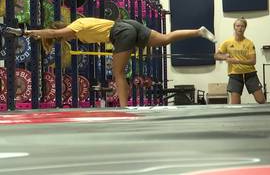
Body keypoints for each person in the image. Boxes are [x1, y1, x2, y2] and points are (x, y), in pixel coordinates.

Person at [25, 17, 216, 107]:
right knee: (165, 39)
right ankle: (198, 31)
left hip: (121, 33)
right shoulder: (81, 23)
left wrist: (32, 32)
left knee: (118, 73)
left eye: (62, 37)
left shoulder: (74, 27)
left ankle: (125, 108)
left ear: (62, 29)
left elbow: (53, 33)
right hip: (128, 25)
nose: (62, 39)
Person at [214, 17, 265, 104]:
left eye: (242, 26)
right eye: (238, 26)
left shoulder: (249, 43)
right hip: (235, 75)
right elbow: (216, 56)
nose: (240, 28)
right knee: (235, 104)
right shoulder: (227, 42)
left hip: (250, 74)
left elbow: (253, 61)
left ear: (245, 28)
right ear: (234, 27)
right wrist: (225, 57)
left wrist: (237, 61)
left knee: (261, 100)